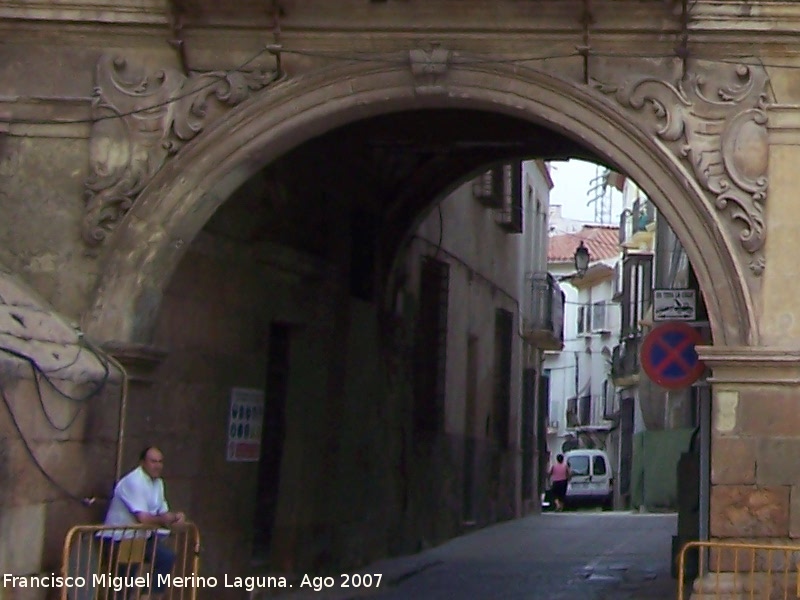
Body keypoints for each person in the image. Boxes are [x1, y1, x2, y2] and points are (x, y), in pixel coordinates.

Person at [102, 446, 186, 598]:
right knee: (123, 585)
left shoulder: (158, 483)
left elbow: (163, 511)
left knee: (166, 558)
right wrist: (165, 520)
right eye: (153, 461)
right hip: (120, 539)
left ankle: (149, 596)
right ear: (142, 463)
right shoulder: (133, 481)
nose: (157, 466)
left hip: (140, 538)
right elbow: (143, 518)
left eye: (160, 462)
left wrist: (176, 517)